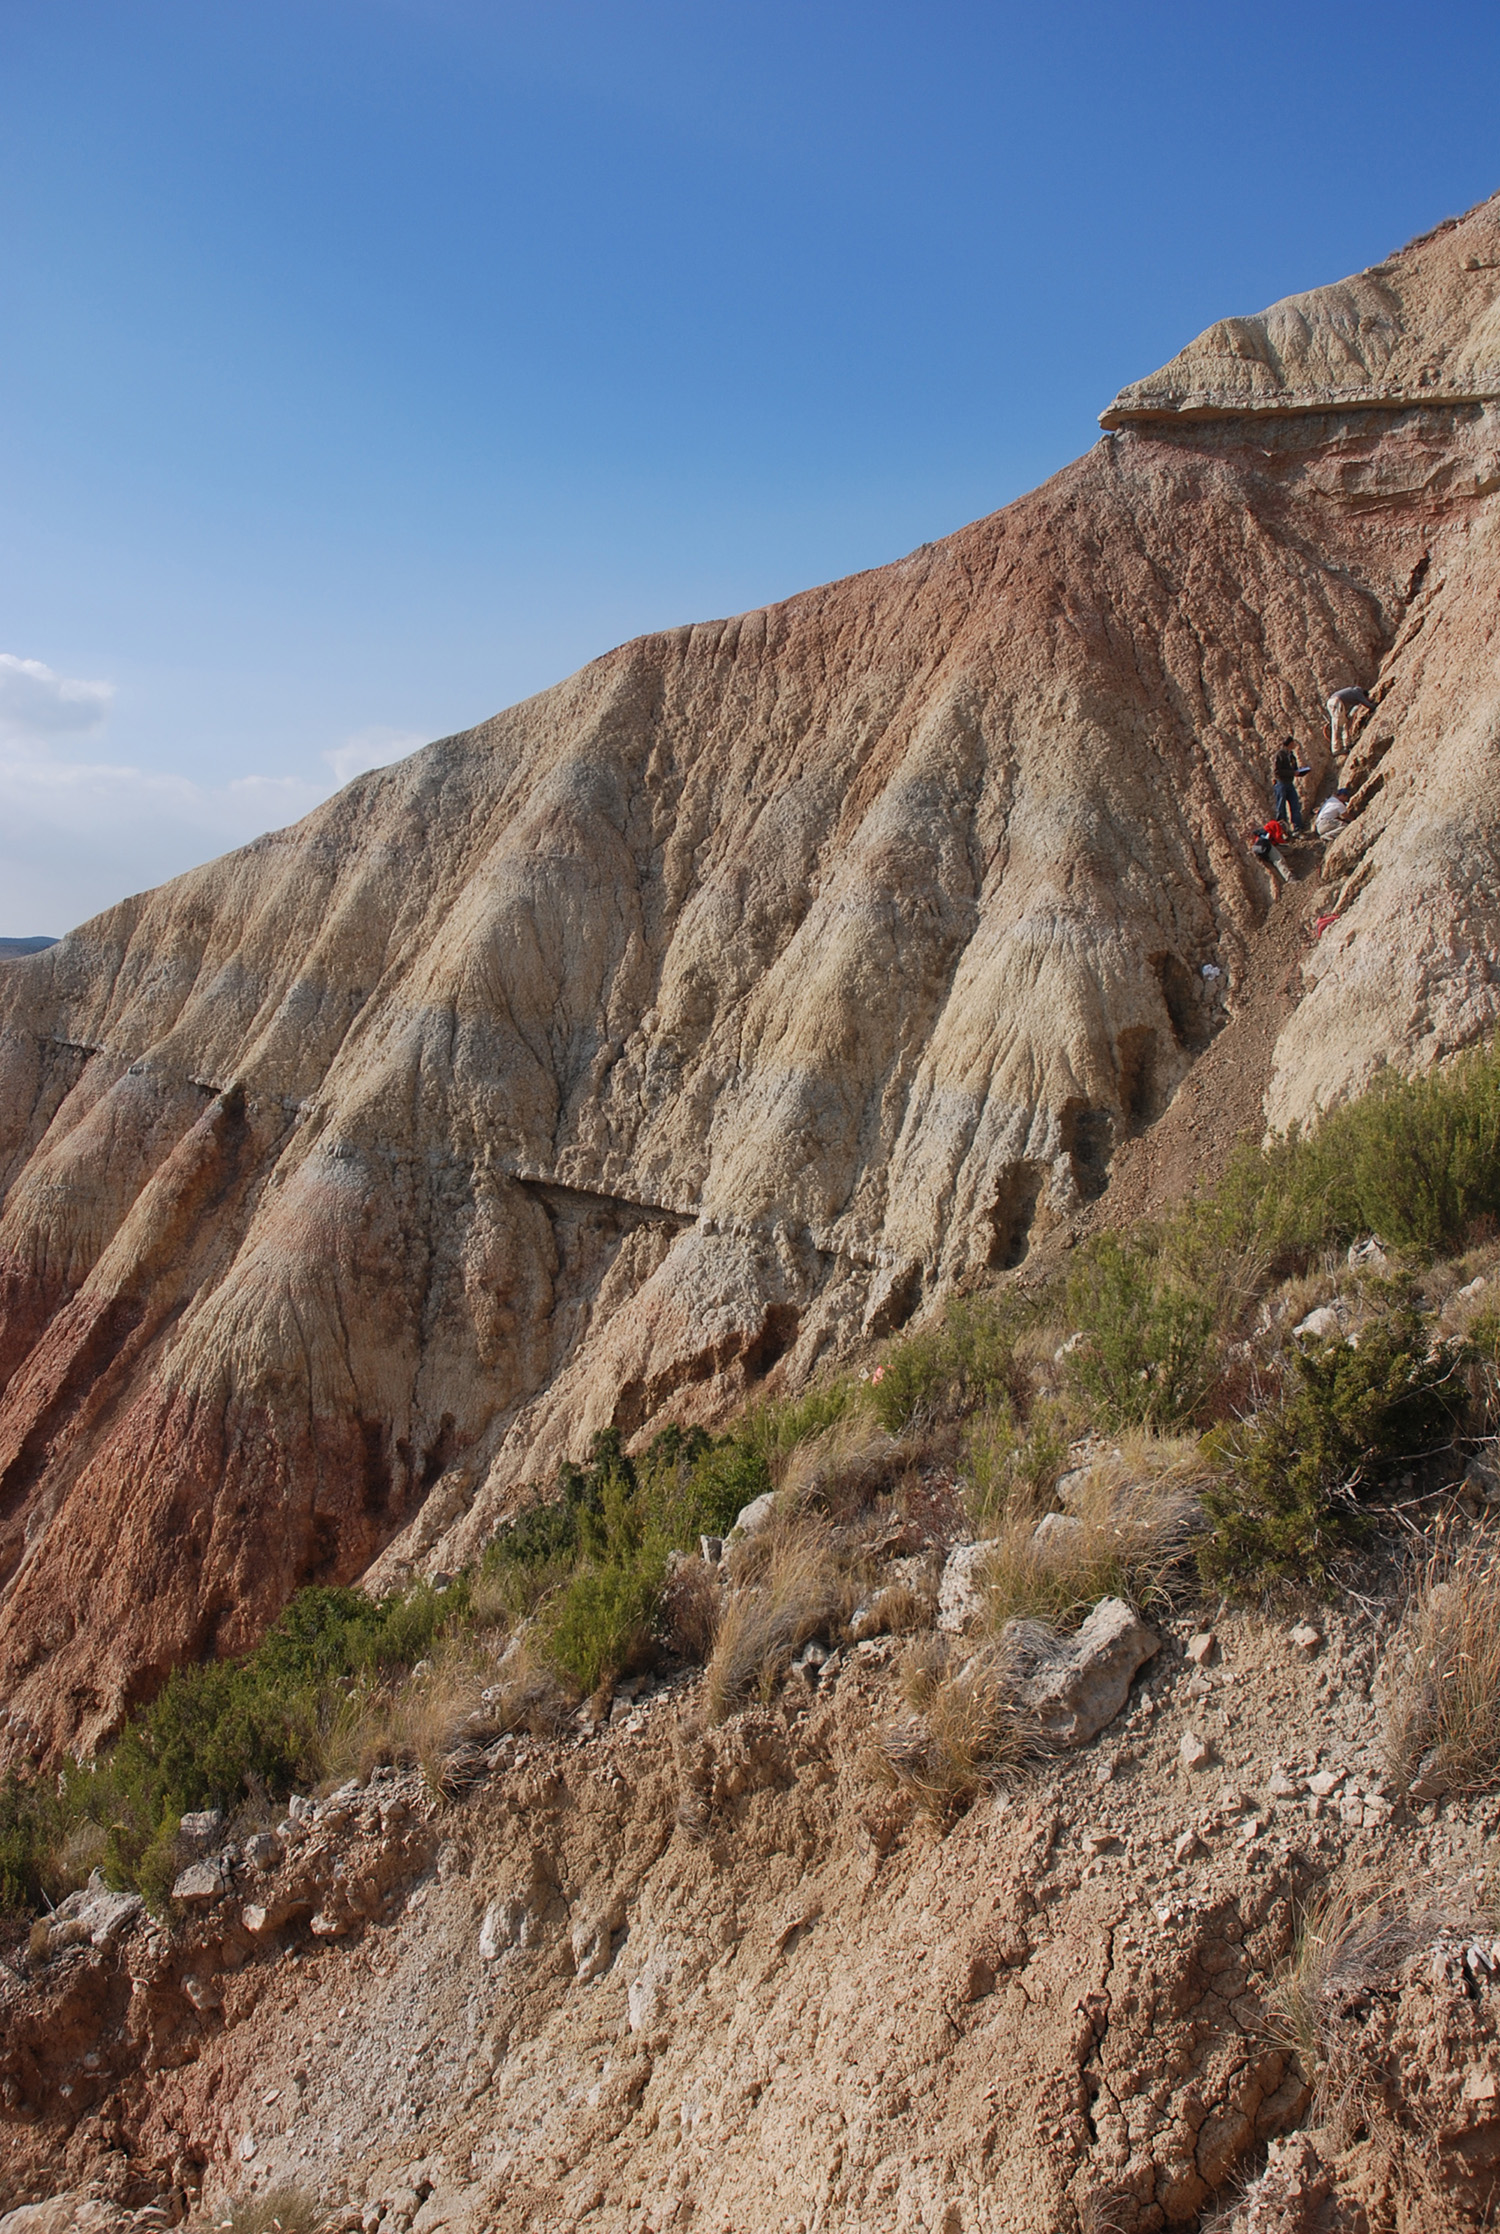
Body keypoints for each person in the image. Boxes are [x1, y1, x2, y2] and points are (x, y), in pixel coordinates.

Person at [1326, 685, 1375, 756]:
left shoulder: (1351, 692)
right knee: (1344, 723)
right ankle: (1345, 745)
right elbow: (1365, 703)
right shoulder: (1358, 693)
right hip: (1337, 702)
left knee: (1335, 725)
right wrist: (1373, 706)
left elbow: (1353, 708)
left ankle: (1336, 748)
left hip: (1330, 702)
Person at [1271, 739, 1305, 832]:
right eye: (1293, 743)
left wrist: (1300, 772)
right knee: (1281, 807)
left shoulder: (1292, 756)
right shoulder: (1280, 755)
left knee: (1295, 805)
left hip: (1289, 783)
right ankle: (1281, 830)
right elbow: (1277, 771)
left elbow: (1294, 769)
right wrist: (1292, 772)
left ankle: (1297, 828)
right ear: (1289, 744)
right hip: (1281, 783)